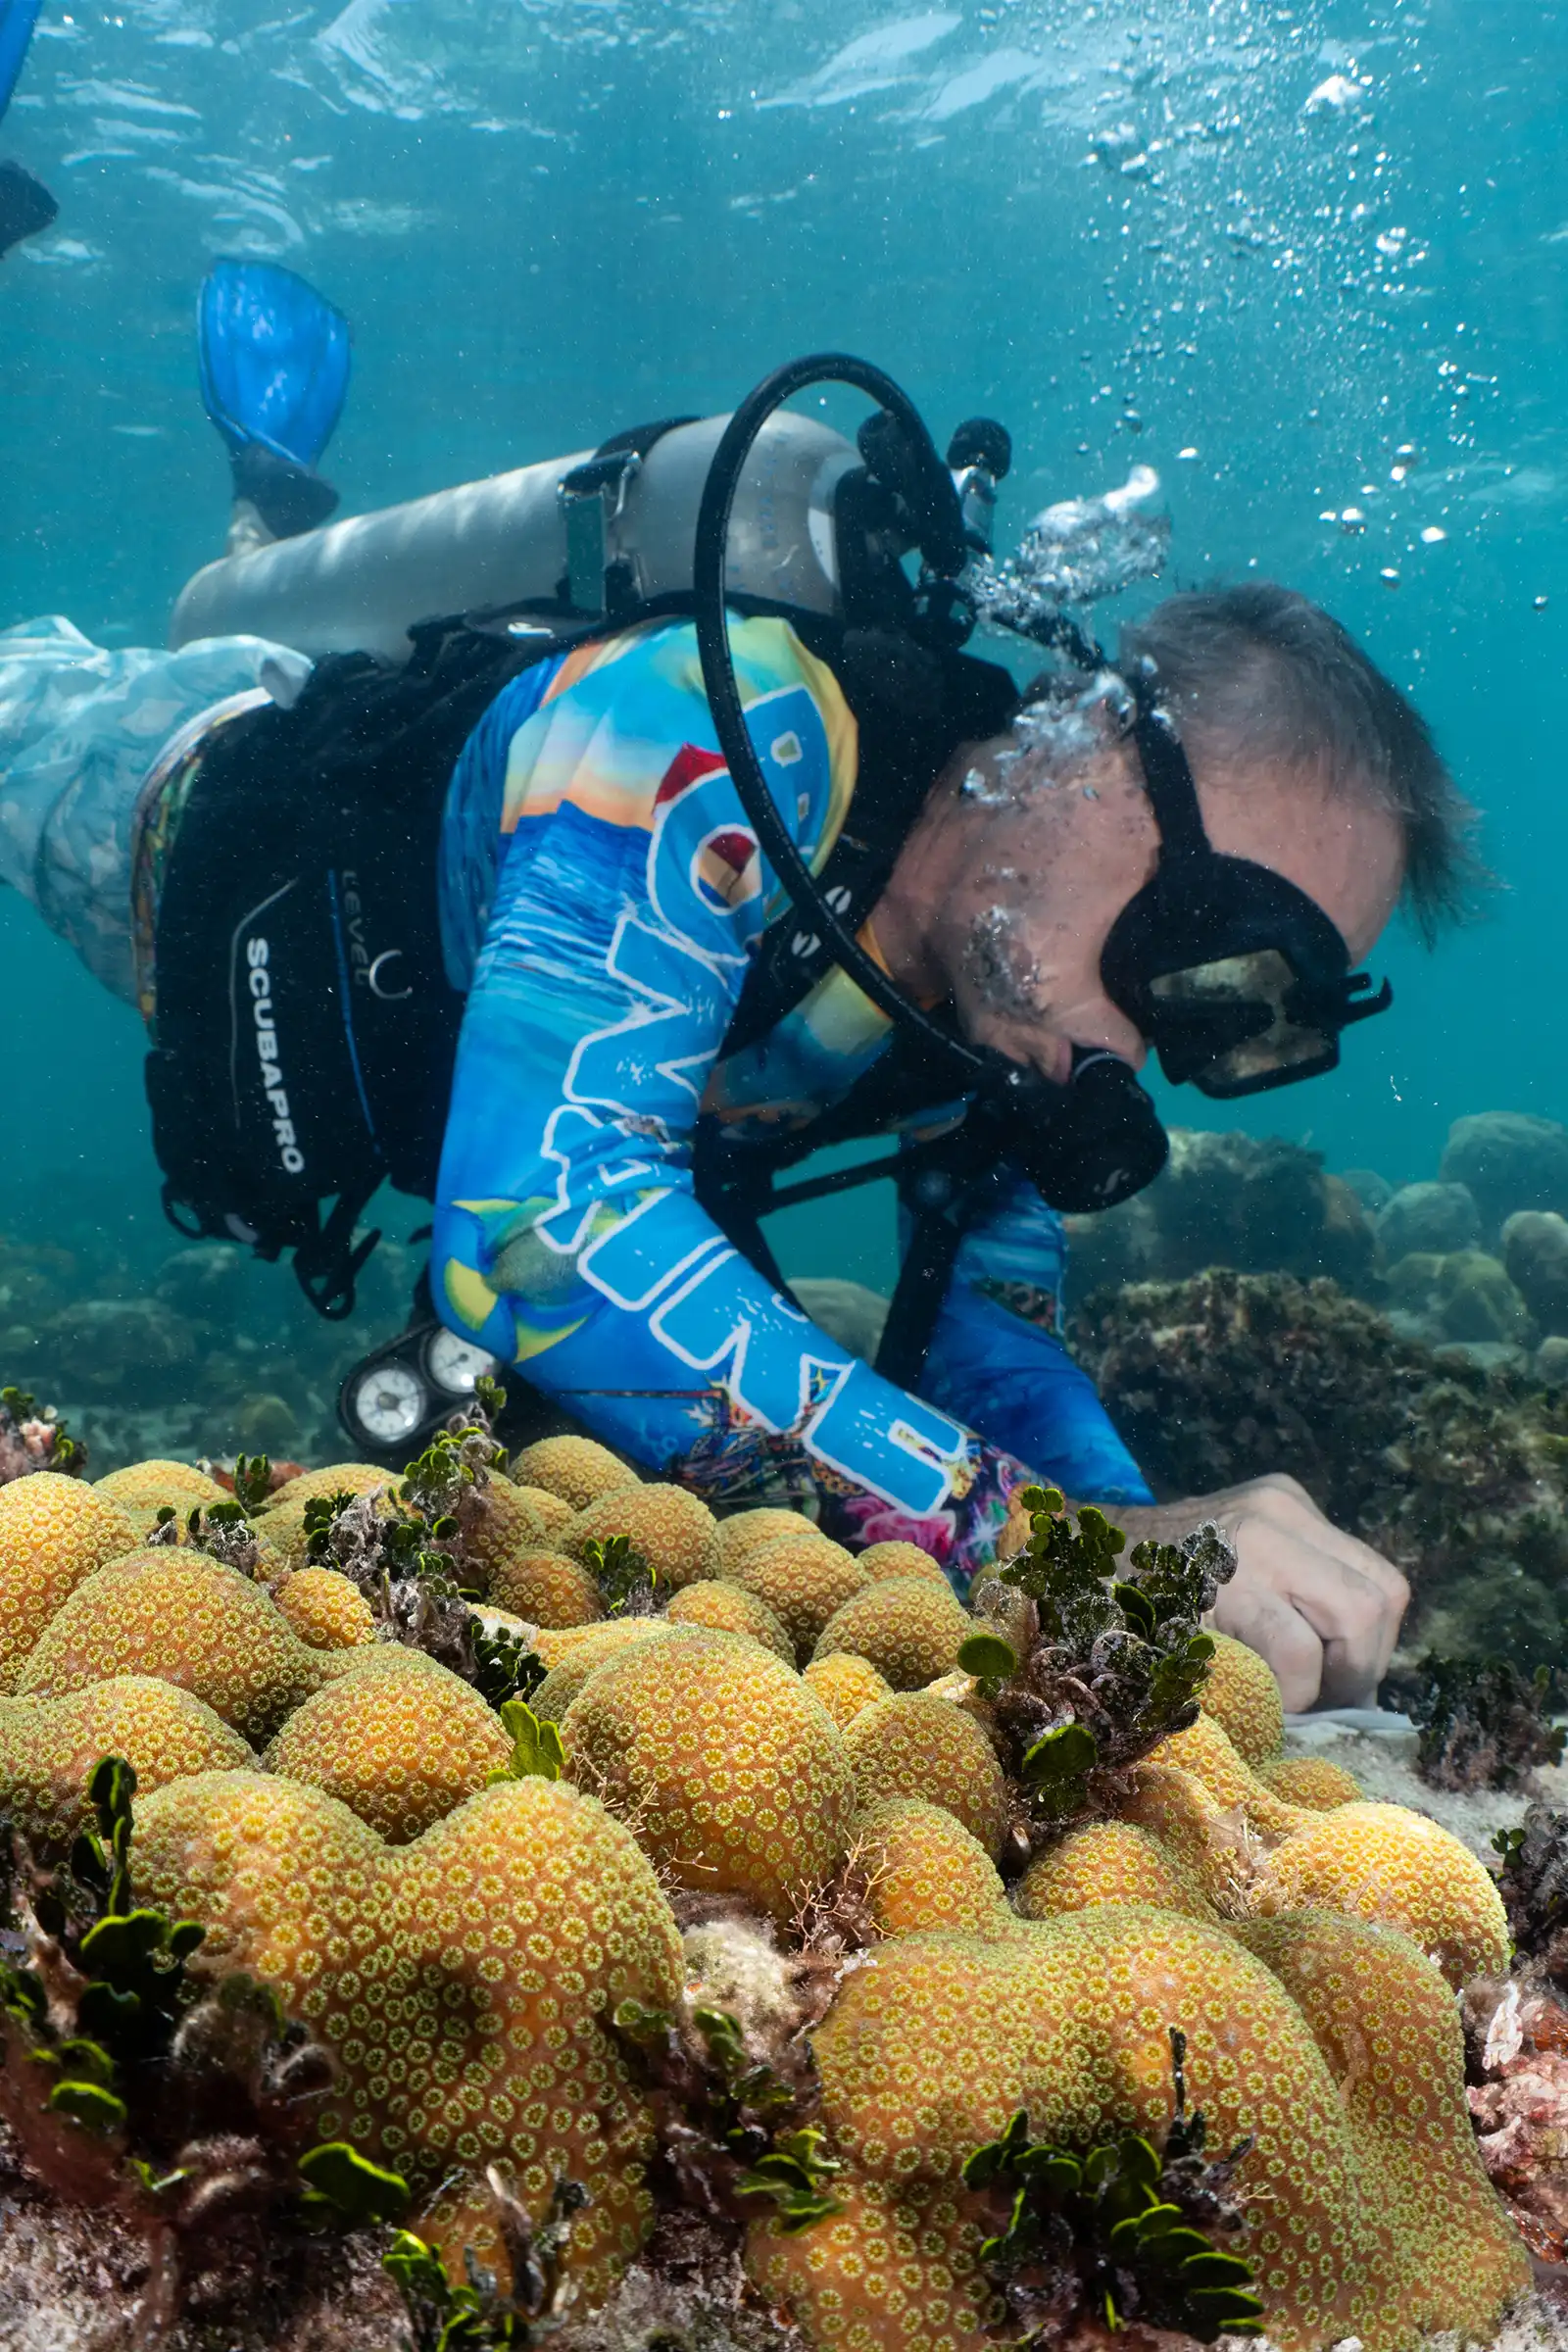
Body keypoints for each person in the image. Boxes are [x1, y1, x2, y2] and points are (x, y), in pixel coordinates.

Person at [0, 276, 1477, 1714]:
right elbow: (540, 1234)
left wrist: (1145, 1561)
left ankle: (279, 517)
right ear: (1095, 755)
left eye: (1250, 1025)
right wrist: (1045, 1550)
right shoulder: (721, 730)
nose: (1167, 1041)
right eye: (1213, 948)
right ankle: (266, 531)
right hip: (160, 814)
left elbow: (990, 1344)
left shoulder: (1008, 1011)